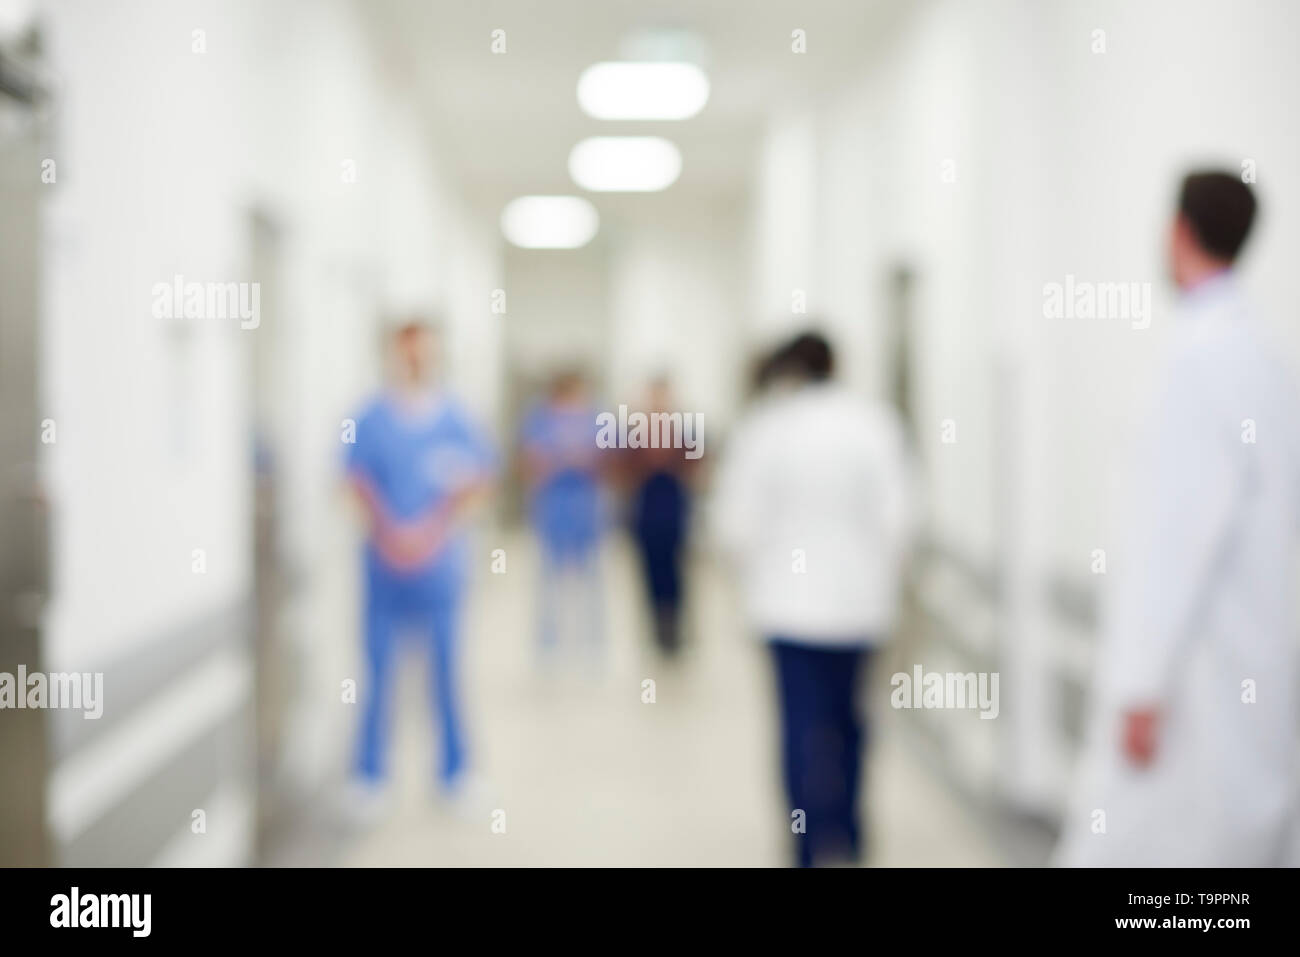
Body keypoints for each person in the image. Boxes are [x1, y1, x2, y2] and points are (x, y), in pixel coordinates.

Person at [1056, 172, 1300, 866]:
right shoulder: (1267, 357)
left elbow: (1176, 540)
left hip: (1195, 680)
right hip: (1255, 664)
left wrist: (1140, 685)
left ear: (1177, 231)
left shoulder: (1197, 361)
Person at [713, 332, 913, 867]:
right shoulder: (874, 425)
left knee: (799, 727)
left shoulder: (765, 429)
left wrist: (757, 575)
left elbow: (734, 527)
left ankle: (804, 846)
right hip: (860, 608)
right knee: (851, 723)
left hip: (787, 609)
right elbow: (899, 522)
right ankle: (848, 835)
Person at [344, 320, 496, 817]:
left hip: (439, 570)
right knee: (378, 672)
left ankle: (455, 773)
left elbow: (477, 481)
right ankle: (369, 777)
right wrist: (390, 531)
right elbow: (354, 481)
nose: (414, 360)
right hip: (383, 568)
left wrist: (430, 531)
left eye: (423, 351)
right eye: (406, 351)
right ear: (393, 353)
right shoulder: (369, 419)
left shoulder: (456, 418)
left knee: (447, 672)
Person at [520, 369, 605, 656]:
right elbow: (532, 462)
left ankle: (592, 644)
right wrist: (563, 459)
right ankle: (549, 644)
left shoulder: (596, 419)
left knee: (591, 579)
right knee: (549, 579)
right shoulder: (540, 419)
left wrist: (580, 459)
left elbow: (608, 463)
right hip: (553, 506)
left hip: (586, 506)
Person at [620, 376, 697, 656]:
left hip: (674, 507)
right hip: (646, 508)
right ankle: (656, 631)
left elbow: (697, 467)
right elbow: (621, 468)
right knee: (649, 570)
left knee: (675, 571)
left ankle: (675, 630)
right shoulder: (634, 430)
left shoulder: (685, 429)